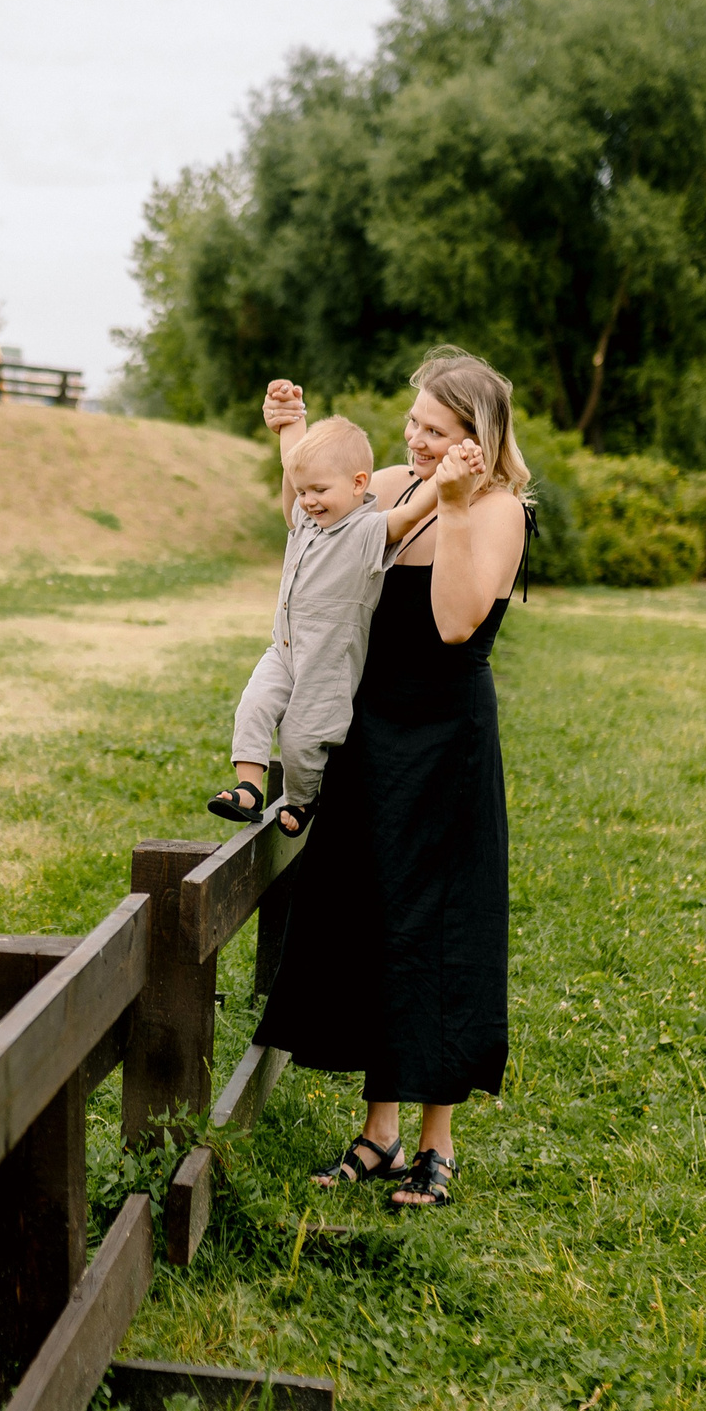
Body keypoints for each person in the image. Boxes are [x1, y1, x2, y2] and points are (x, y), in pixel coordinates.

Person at [249, 346, 532, 1212]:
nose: (416, 439)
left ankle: (437, 1146)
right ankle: (380, 1133)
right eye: (413, 422)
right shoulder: (397, 490)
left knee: (437, 927)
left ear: (475, 440)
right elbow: (313, 513)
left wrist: (448, 506)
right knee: (375, 919)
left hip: (447, 740)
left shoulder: (496, 512)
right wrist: (292, 434)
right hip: (373, 734)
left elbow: (453, 624)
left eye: (436, 430)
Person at [206, 381, 444, 837]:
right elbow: (296, 460)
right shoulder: (308, 521)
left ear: (358, 484)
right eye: (302, 492)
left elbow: (408, 517)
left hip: (327, 664)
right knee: (253, 706)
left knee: (300, 738)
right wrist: (291, 419)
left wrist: (444, 483)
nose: (308, 500)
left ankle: (302, 799)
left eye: (318, 490)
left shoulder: (366, 531)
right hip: (286, 649)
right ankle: (249, 789)